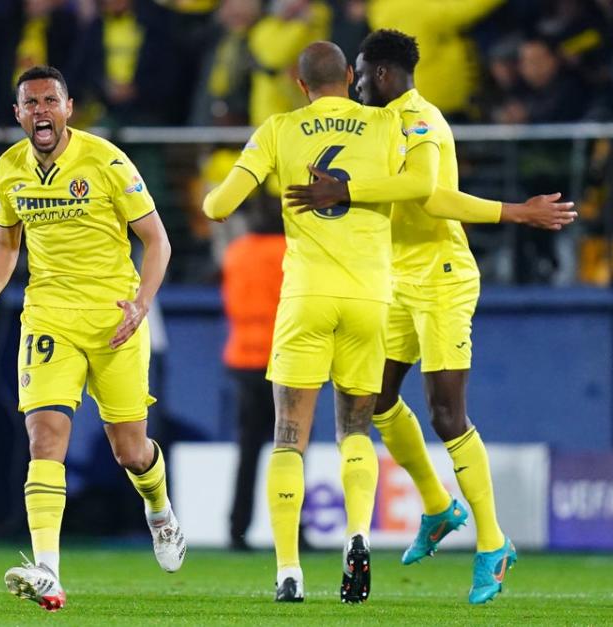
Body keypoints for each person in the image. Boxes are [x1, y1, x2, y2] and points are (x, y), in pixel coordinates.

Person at [284, 29, 575, 604]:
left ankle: (493, 544)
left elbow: (430, 194)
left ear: (384, 75)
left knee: (447, 415)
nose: (356, 85)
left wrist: (516, 212)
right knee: (376, 400)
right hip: (391, 279)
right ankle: (439, 507)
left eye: (362, 75)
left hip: (441, 279)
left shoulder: (421, 120)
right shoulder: (370, 124)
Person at [0, 65, 184, 612]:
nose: (41, 111)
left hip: (115, 318)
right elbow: (6, 247)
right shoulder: (9, 169)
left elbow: (156, 240)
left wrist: (142, 301)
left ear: (68, 107)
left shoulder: (106, 161)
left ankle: (160, 512)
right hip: (49, 316)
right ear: (18, 115)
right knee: (45, 437)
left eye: (49, 100)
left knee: (130, 451)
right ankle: (48, 572)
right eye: (30, 103)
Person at [204, 41, 407, 604]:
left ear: (300, 86)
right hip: (369, 297)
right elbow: (422, 189)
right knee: (356, 431)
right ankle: (359, 536)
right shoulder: (386, 123)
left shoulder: (278, 129)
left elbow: (221, 207)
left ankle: (289, 570)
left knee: (288, 438)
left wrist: (208, 200)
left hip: (307, 298)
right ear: (349, 76)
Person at [222, 204, 286, 550]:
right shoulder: (288, 253)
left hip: (242, 358)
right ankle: (294, 530)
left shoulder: (236, 253)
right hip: (282, 361)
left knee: (248, 449)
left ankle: (237, 528)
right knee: (290, 447)